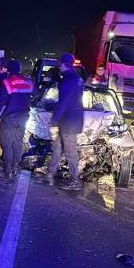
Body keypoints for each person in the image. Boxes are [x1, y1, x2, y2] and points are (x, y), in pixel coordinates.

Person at [45, 53, 84, 190]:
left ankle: (75, 180)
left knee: (70, 151)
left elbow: (64, 102)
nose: (58, 67)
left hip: (68, 122)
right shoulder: (76, 78)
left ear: (63, 64)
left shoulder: (68, 80)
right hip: (69, 120)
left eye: (59, 64)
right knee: (56, 147)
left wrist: (54, 120)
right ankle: (50, 174)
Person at [0, 59, 33, 178]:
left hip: (9, 118)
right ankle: (16, 167)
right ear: (20, 70)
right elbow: (36, 94)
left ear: (9, 70)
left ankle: (8, 170)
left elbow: (1, 102)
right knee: (18, 142)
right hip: (23, 118)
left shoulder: (6, 82)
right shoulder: (28, 82)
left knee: (6, 143)